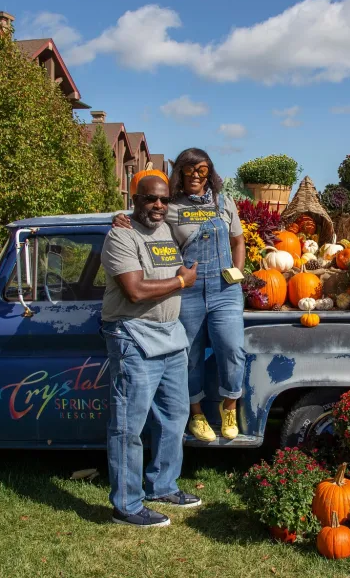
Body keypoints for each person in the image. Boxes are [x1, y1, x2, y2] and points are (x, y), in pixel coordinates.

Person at [114, 148, 246, 443]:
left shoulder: (224, 203)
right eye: (189, 170)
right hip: (186, 289)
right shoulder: (169, 206)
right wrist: (119, 218)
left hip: (225, 289)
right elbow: (142, 220)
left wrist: (236, 274)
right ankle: (196, 414)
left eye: (202, 170)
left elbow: (238, 241)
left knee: (232, 348)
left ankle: (230, 407)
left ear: (209, 172)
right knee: (189, 355)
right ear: (180, 173)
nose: (196, 176)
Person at [102, 175, 201, 528]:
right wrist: (180, 282)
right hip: (133, 336)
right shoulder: (120, 235)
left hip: (171, 336)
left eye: (163, 200)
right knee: (129, 425)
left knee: (174, 416)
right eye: (149, 199)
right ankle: (126, 506)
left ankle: (162, 486)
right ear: (135, 199)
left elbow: (204, 216)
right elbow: (134, 290)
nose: (158, 205)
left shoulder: (164, 230)